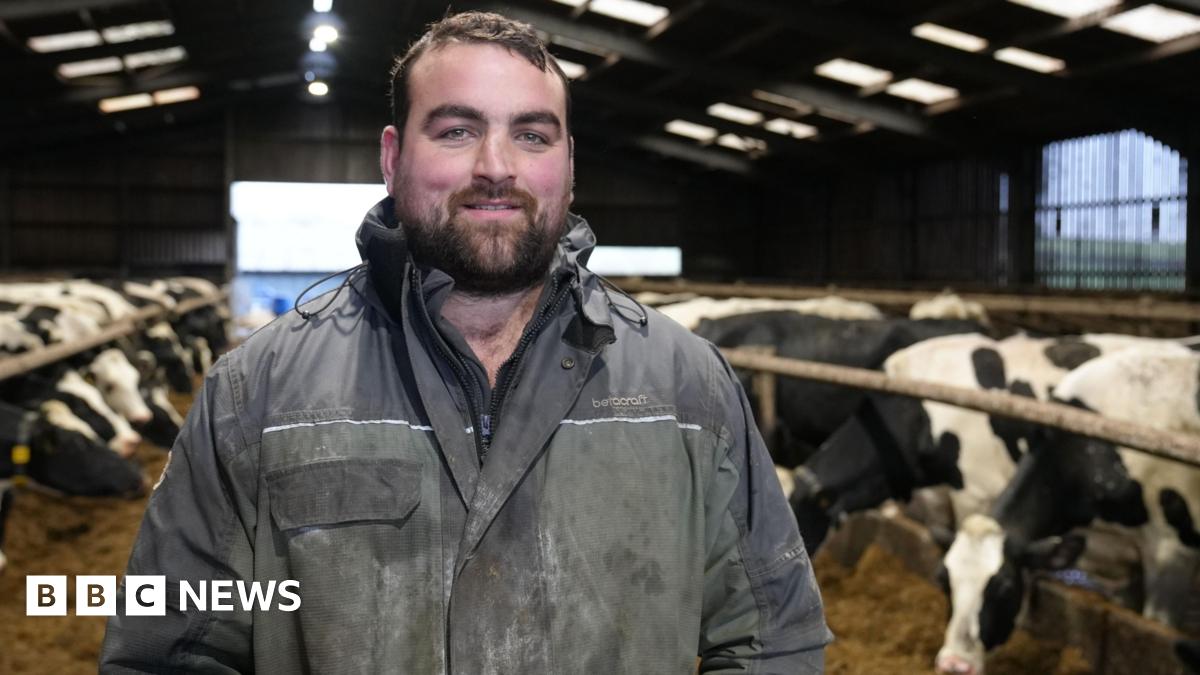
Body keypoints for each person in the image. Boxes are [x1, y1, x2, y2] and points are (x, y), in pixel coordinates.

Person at [100, 11, 830, 673]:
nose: (497, 167)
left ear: (569, 164)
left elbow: (773, 637)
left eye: (531, 134)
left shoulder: (686, 387)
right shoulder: (255, 392)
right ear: (393, 157)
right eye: (456, 129)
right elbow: (170, 650)